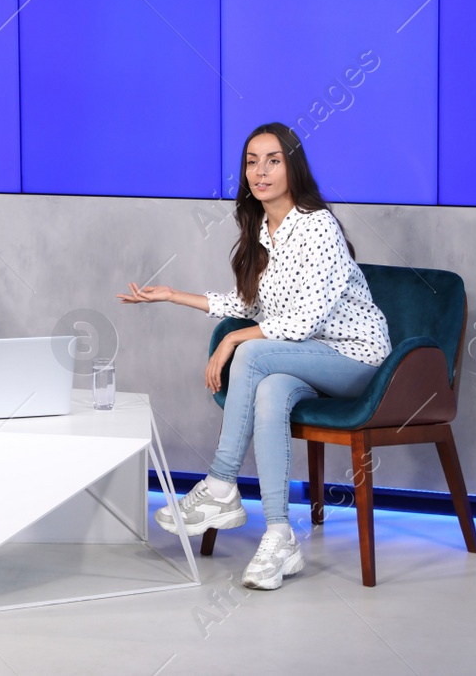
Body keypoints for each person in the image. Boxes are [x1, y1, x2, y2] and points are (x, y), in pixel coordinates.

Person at [118, 121, 390, 591]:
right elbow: (248, 305)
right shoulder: (262, 230)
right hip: (305, 356)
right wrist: (173, 295)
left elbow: (302, 322)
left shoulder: (317, 226)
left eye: (273, 161)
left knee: (249, 355)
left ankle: (221, 483)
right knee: (270, 391)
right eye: (251, 162)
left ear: (293, 167)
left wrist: (232, 341)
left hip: (356, 358)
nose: (260, 172)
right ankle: (280, 535)